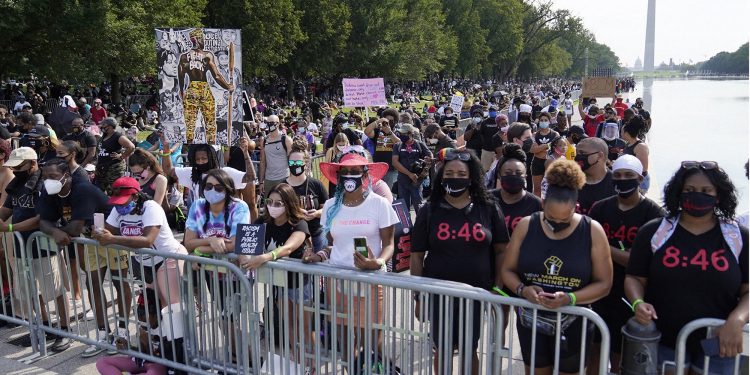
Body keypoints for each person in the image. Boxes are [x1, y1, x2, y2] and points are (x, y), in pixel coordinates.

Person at [625, 161, 748, 375]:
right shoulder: (654, 231)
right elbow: (635, 277)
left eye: (705, 191)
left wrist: (737, 320)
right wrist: (638, 303)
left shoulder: (738, 236)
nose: (697, 195)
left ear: (718, 195)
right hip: (663, 342)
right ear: (678, 192)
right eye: (689, 190)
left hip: (719, 344)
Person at [501, 159, 612, 375]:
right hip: (531, 319)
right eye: (551, 217)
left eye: (566, 219)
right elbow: (507, 270)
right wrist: (523, 290)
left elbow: (604, 283)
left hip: (574, 322)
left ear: (576, 207)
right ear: (543, 204)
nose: (558, 224)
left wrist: (570, 298)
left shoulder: (592, 231)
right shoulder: (527, 225)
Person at [411, 148, 509, 375]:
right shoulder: (429, 209)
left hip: (475, 294)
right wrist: (418, 296)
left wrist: (498, 288)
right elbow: (417, 255)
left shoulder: (488, 207)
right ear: (441, 175)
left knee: (469, 348)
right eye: (450, 173)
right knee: (442, 349)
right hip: (438, 294)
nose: (455, 178)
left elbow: (502, 250)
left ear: (472, 176)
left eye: (461, 173)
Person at [307, 151, 398, 365]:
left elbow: (389, 244)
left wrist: (378, 262)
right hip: (338, 284)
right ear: (338, 176)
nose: (349, 176)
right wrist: (317, 255)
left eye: (355, 171)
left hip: (370, 282)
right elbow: (333, 244)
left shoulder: (380, 204)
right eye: (345, 172)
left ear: (365, 174)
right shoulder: (330, 206)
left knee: (373, 343)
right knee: (346, 343)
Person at [587, 155, 665, 374]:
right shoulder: (601, 209)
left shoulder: (654, 214)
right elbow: (586, 247)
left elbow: (644, 262)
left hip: (631, 293)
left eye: (629, 176)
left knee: (621, 353)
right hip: (600, 288)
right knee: (594, 348)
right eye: (618, 175)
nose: (623, 180)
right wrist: (621, 254)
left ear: (640, 179)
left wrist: (603, 248)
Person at [37, 158, 118, 358]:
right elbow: (43, 222)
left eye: (53, 176)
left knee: (120, 284)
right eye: (45, 177)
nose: (48, 181)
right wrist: (55, 232)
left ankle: (122, 331)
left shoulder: (82, 190)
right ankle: (103, 334)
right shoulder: (50, 192)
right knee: (93, 285)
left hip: (113, 237)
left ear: (66, 176)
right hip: (90, 241)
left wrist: (56, 230)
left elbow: (74, 228)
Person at [0, 148, 71, 352]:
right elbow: (7, 210)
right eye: (13, 166)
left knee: (55, 289)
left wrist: (11, 227)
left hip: (44, 242)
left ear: (32, 163)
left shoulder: (44, 184)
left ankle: (64, 329)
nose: (15, 170)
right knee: (31, 290)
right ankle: (46, 326)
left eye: (19, 166)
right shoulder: (16, 184)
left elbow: (42, 218)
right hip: (22, 244)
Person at [239, 183, 312, 372]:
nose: (273, 206)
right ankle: (296, 361)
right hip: (278, 283)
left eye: (278, 203)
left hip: (298, 283)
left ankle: (310, 362)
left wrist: (266, 257)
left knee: (303, 326)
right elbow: (245, 246)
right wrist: (245, 258)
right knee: (287, 324)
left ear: (288, 204)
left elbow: (289, 247)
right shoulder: (262, 222)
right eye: (270, 202)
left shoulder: (299, 223)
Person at [92, 176, 186, 310]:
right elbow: (108, 229)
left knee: (172, 305)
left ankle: (178, 330)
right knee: (154, 306)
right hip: (145, 262)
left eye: (123, 202)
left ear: (135, 197)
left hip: (168, 257)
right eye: (116, 202)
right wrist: (98, 232)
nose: (119, 205)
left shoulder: (151, 207)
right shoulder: (118, 209)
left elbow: (148, 240)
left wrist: (112, 239)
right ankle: (161, 332)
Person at [161, 134, 254, 209]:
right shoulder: (193, 173)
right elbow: (168, 169)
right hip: (201, 224)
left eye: (204, 158)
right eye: (197, 159)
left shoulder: (225, 173)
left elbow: (250, 177)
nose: (200, 162)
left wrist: (245, 154)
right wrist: (166, 148)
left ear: (211, 158)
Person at [178, 28, 234, 144]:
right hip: (204, 88)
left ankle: (188, 146)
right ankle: (211, 146)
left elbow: (181, 76)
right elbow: (217, 76)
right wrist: (228, 86)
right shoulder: (207, 56)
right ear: (198, 40)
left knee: (190, 121)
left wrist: (182, 90)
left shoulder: (184, 57)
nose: (204, 42)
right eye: (202, 39)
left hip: (191, 88)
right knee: (210, 122)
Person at [285, 140, 329, 251]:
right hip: (292, 235)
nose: (295, 166)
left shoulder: (316, 184)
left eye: (298, 163)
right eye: (292, 163)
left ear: (306, 163)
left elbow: (327, 208)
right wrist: (296, 212)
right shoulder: (283, 186)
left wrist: (316, 213)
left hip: (317, 233)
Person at [490, 144, 542, 237]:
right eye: (508, 173)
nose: (513, 176)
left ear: (525, 176)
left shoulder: (537, 205)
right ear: (499, 175)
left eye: (518, 173)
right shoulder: (487, 200)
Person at [392, 123, 432, 212]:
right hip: (403, 181)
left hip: (416, 181)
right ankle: (406, 226)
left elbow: (430, 157)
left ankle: (420, 225)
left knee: (419, 206)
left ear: (410, 134)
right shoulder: (397, 145)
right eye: (401, 133)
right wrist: (409, 174)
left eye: (404, 133)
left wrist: (425, 168)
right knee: (404, 209)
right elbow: (395, 162)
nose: (401, 135)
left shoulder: (419, 144)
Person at [574, 137, 614, 215]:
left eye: (582, 153)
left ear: (599, 156)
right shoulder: (568, 180)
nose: (577, 157)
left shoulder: (617, 184)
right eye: (577, 153)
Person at [96, 117, 135, 195]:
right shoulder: (104, 136)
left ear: (110, 126)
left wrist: (121, 156)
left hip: (114, 169)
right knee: (100, 191)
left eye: (104, 125)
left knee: (114, 190)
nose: (101, 126)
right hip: (102, 168)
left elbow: (131, 147)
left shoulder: (118, 136)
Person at [364, 109, 400, 188]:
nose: (389, 123)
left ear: (395, 121)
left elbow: (399, 144)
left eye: (391, 121)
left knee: (389, 193)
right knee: (376, 191)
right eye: (387, 121)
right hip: (377, 167)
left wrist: (389, 132)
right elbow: (366, 131)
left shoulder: (397, 132)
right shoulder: (377, 132)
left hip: (391, 169)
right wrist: (378, 121)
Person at [259, 114, 292, 195]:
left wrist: (292, 179)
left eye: (271, 122)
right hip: (268, 179)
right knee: (269, 203)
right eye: (267, 122)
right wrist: (261, 182)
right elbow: (263, 162)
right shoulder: (264, 140)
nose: (269, 124)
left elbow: (291, 160)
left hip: (284, 178)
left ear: (277, 123)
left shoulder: (286, 139)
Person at [529, 112, 559, 198]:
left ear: (549, 121)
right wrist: (547, 145)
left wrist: (540, 148)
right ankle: (538, 207)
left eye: (545, 120)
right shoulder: (535, 135)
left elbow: (557, 150)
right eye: (541, 120)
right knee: (537, 188)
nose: (543, 122)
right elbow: (533, 150)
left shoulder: (555, 134)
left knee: (551, 187)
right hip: (537, 163)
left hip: (550, 163)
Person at [621, 116, 651, 192]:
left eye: (622, 131)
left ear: (627, 132)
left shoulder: (640, 147)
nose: (620, 133)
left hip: (639, 184)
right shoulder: (629, 144)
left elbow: (643, 170)